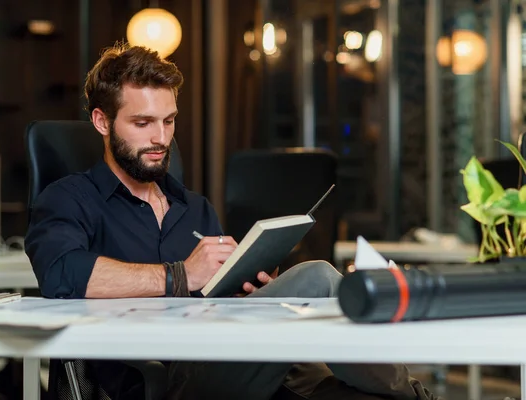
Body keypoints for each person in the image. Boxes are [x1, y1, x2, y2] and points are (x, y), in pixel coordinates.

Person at [24, 42, 442, 400]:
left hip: (239, 355)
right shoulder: (70, 199)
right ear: (101, 121)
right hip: (168, 376)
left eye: (169, 121)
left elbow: (218, 301)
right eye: (142, 123)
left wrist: (251, 286)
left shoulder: (194, 207)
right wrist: (180, 274)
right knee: (319, 278)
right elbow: (62, 273)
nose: (161, 138)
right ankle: (417, 392)